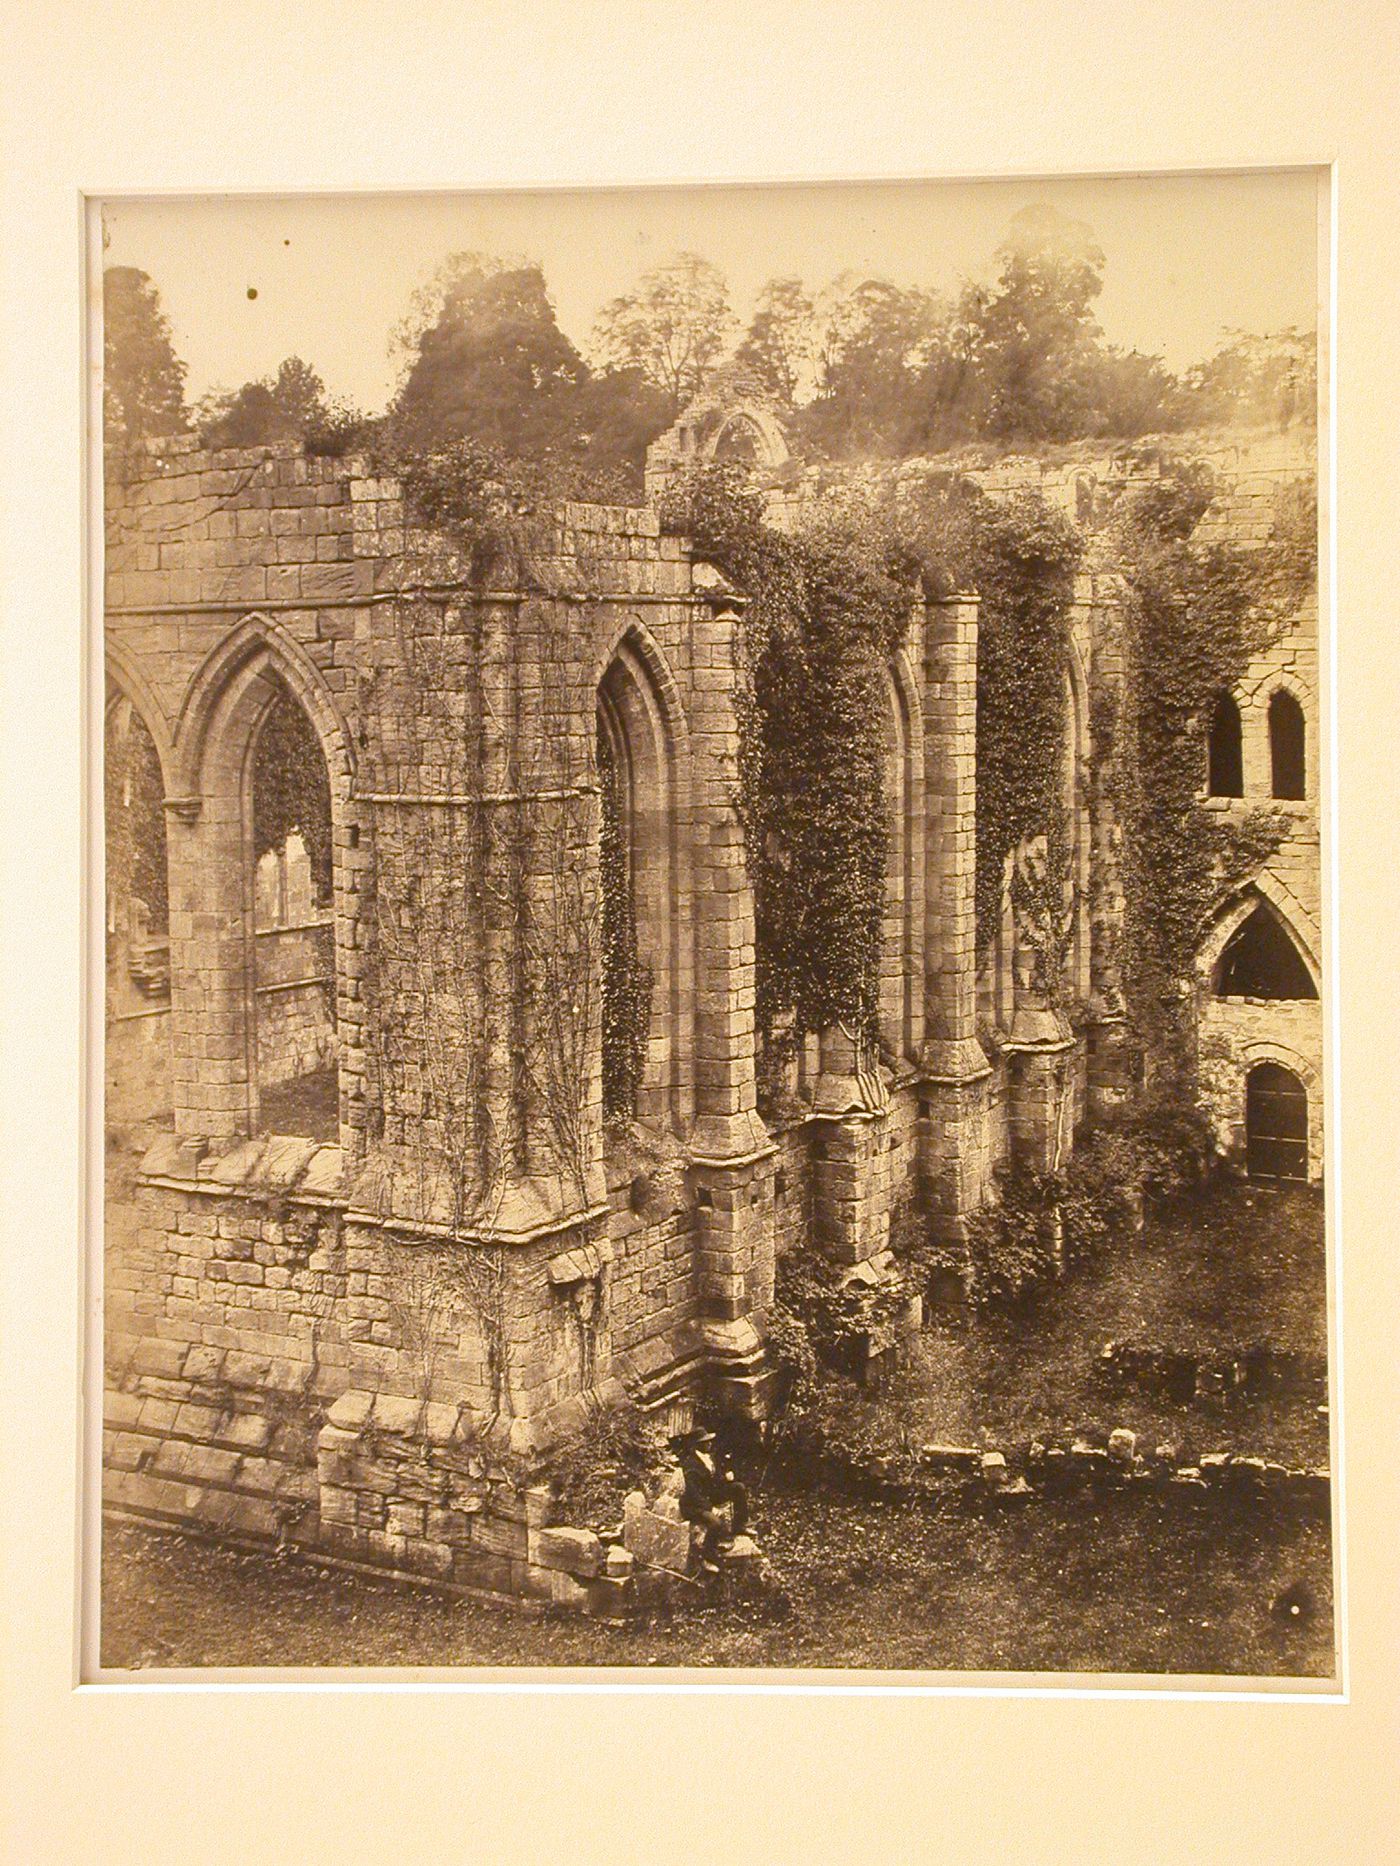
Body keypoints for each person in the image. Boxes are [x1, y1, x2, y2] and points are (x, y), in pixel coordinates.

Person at [671, 1426, 749, 1573]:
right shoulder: (690, 1465)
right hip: (693, 1505)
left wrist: (725, 1478)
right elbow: (694, 1494)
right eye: (706, 1442)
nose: (710, 1444)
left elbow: (713, 1481)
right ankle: (706, 1557)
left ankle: (740, 1525)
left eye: (709, 1441)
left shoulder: (709, 1457)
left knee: (738, 1488)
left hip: (709, 1496)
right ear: (697, 1445)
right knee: (715, 1523)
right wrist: (711, 1508)